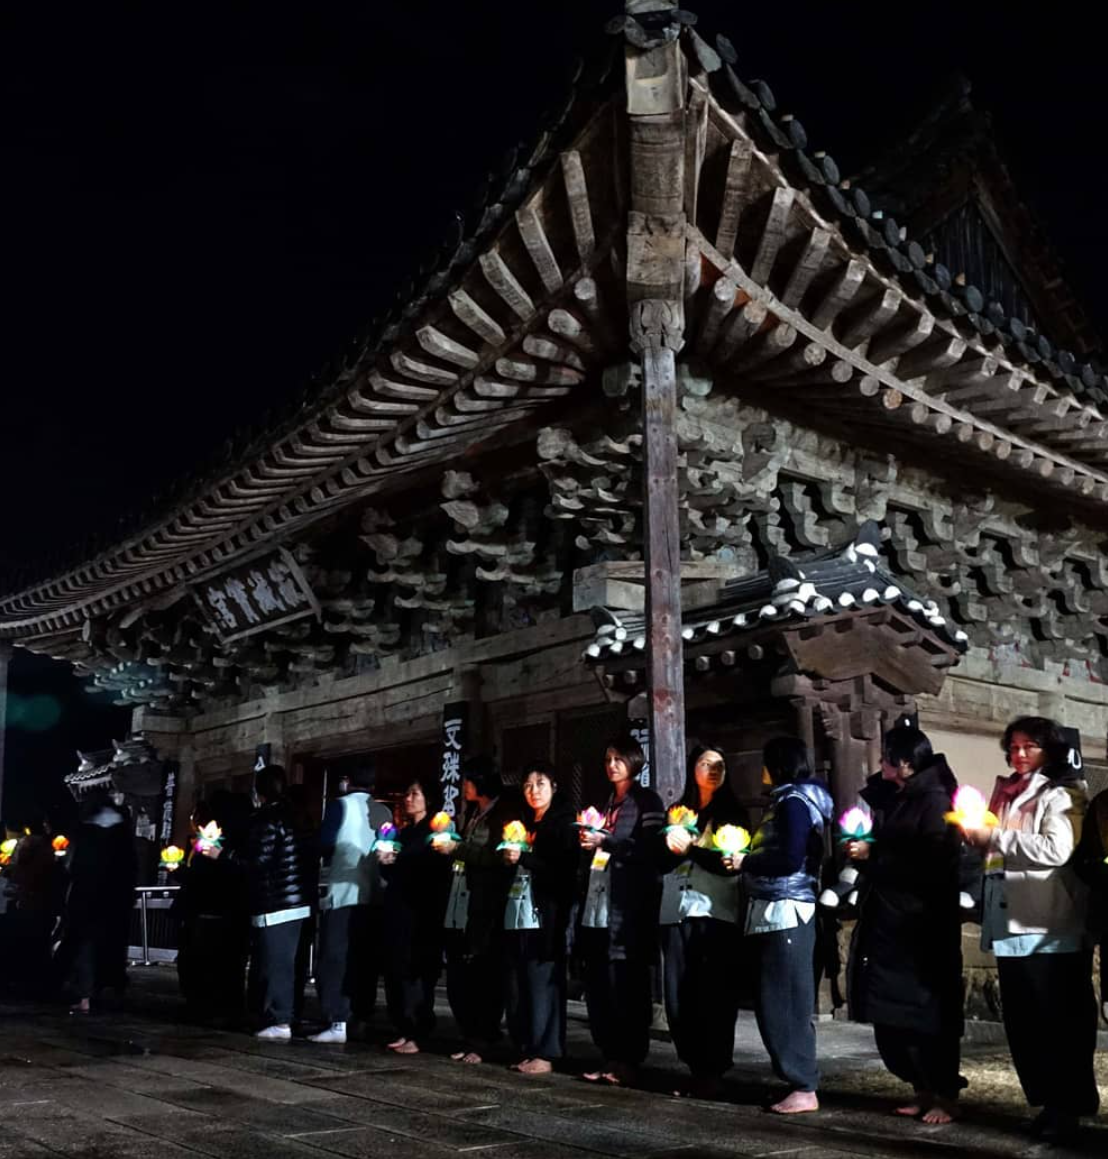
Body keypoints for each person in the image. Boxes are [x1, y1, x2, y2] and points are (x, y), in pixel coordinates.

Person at [961, 716, 1098, 1143]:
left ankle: (1068, 1107)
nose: (1019, 754)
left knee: (1060, 1023)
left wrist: (995, 837)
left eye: (1030, 747)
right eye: (1015, 746)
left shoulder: (1064, 793)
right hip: (1012, 922)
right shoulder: (1008, 792)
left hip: (1049, 925)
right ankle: (1044, 1102)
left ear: (1050, 749)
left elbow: (1056, 850)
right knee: (1024, 1024)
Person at [844, 726, 963, 1125]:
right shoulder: (899, 796)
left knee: (927, 1015)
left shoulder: (935, 801)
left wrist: (872, 858)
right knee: (891, 1015)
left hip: (921, 923)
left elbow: (931, 862)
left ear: (907, 764)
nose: (880, 766)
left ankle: (944, 1094)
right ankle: (920, 1087)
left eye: (886, 759)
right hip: (889, 919)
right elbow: (877, 806)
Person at [723, 737, 831, 1115]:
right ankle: (797, 1080)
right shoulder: (787, 801)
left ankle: (803, 1083)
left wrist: (745, 863)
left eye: (767, 763)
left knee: (785, 1002)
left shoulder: (794, 804)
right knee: (776, 1001)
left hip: (786, 910)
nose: (763, 771)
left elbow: (788, 859)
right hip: (774, 909)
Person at [659, 745, 748, 1098]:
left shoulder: (734, 812)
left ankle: (713, 1069)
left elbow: (728, 863)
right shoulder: (678, 812)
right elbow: (661, 860)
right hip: (675, 908)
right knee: (678, 993)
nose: (713, 769)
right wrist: (668, 847)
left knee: (712, 994)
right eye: (705, 762)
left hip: (714, 912)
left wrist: (691, 849)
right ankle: (694, 1066)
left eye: (719, 765)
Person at [201, 764, 314, 1040]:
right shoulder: (296, 816)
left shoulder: (267, 819)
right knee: (285, 962)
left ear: (259, 790)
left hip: (275, 902)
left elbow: (259, 862)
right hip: (296, 899)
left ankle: (279, 1018)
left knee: (274, 964)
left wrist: (222, 855)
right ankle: (280, 1016)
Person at [577, 732, 665, 1086]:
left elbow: (651, 851)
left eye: (618, 758)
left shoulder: (647, 801)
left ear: (634, 762)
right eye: (608, 759)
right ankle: (609, 1055)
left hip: (629, 906)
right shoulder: (603, 802)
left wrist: (608, 841)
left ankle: (629, 1059)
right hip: (597, 898)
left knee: (627, 986)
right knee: (599, 983)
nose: (612, 765)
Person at [431, 755, 518, 1063]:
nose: (463, 786)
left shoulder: (502, 816)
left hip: (485, 902)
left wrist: (460, 849)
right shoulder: (473, 813)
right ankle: (469, 1035)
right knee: (459, 973)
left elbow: (498, 858)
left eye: (467, 780)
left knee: (483, 973)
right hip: (460, 896)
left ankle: (485, 1037)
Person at [501, 761, 578, 1075]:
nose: (534, 790)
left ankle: (546, 1052)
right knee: (518, 983)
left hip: (545, 913)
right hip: (516, 911)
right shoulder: (520, 822)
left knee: (542, 983)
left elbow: (564, 870)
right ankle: (526, 1046)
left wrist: (526, 858)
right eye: (529, 785)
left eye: (541, 783)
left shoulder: (564, 822)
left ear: (554, 787)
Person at [309, 762, 393, 1044]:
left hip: (344, 892)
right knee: (364, 960)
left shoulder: (338, 806)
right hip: (375, 894)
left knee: (336, 959)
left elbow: (324, 843)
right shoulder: (384, 811)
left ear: (347, 781)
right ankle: (361, 1017)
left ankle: (337, 1020)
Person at [377, 776, 452, 1055]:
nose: (408, 798)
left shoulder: (435, 832)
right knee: (397, 970)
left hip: (423, 911)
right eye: (407, 794)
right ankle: (403, 1027)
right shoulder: (404, 832)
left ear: (428, 799)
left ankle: (419, 1031)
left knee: (418, 973)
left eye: (414, 793)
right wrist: (385, 863)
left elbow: (436, 872)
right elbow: (393, 873)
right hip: (399, 908)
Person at [174, 792, 251, 1024]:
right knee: (230, 965)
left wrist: (177, 871)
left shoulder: (211, 842)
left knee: (200, 962)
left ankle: (203, 1007)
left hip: (207, 912)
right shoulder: (242, 839)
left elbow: (199, 878)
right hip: (234, 912)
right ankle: (229, 1007)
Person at [60, 791, 136, 1013]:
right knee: (111, 946)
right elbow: (130, 869)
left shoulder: (86, 831)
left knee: (85, 947)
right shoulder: (121, 832)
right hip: (116, 900)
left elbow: (75, 867)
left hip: (87, 898)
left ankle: (86, 994)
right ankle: (112, 989)